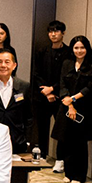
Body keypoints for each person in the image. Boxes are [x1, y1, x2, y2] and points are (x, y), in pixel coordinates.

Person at [52, 36, 92, 183]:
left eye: (82, 48)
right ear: (72, 49)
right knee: (66, 140)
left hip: (84, 108)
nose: (79, 51)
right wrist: (69, 103)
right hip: (67, 107)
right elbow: (62, 84)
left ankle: (79, 176)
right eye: (76, 48)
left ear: (87, 49)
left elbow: (90, 87)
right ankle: (68, 173)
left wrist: (73, 99)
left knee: (80, 143)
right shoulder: (67, 63)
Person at [32, 21, 71, 162]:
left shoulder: (69, 53)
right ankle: (42, 155)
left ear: (63, 33)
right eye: (50, 31)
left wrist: (53, 89)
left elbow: (66, 76)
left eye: (57, 31)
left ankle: (61, 159)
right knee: (42, 127)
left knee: (61, 128)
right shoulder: (42, 51)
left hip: (60, 96)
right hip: (42, 95)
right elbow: (36, 73)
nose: (53, 34)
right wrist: (46, 91)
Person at [0, 49, 32, 154]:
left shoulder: (24, 86)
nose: (3, 65)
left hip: (16, 140)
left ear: (14, 65)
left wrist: (27, 139)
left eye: (7, 62)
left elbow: (29, 116)